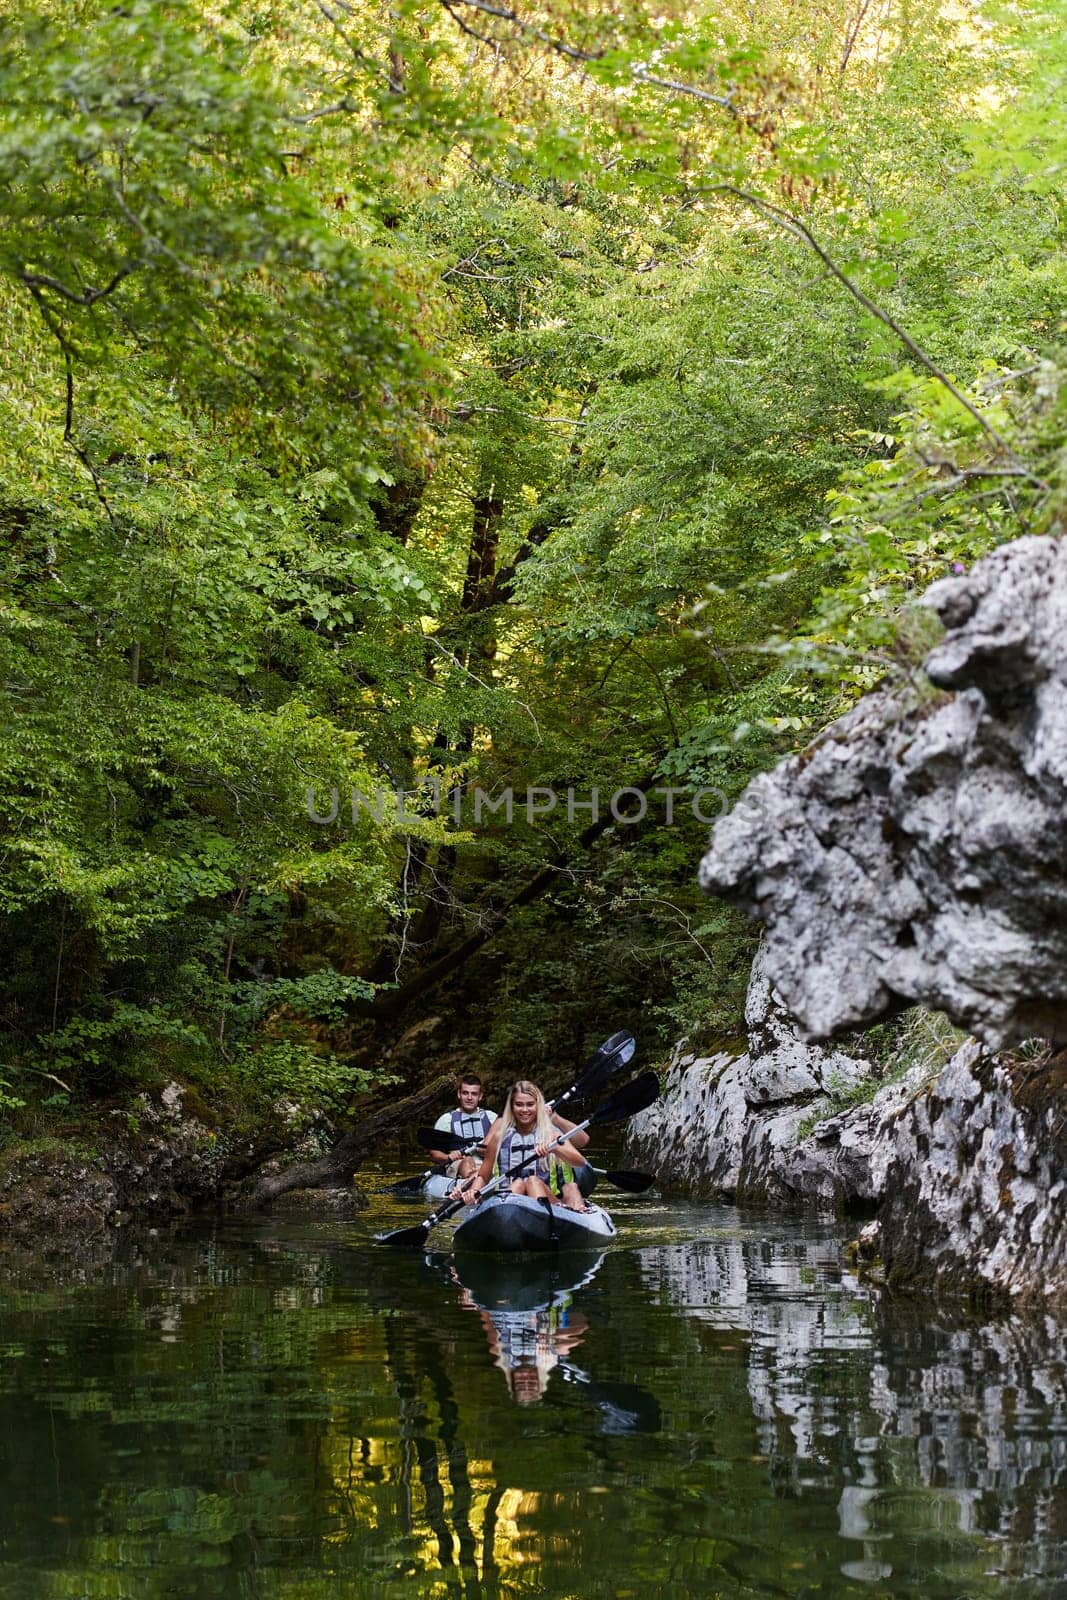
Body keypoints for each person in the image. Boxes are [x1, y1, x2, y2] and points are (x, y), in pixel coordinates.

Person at [454, 1079, 592, 1212]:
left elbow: (579, 1162)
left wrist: (555, 1148)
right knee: (518, 1184)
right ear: (512, 1107)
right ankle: (507, 1218)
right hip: (510, 1200)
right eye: (519, 1104)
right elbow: (483, 1176)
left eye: (530, 1104)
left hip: (547, 1202)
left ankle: (538, 1221)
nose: (525, 1110)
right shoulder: (499, 1138)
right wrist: (473, 1191)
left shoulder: (551, 1134)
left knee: (532, 1181)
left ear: (538, 1105)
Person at [429, 1073, 498, 1180]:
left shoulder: (492, 1118)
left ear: (480, 1096)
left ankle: (480, 1180)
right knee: (467, 1161)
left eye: (474, 1094)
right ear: (459, 1094)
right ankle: (472, 1182)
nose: (469, 1098)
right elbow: (434, 1154)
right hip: (458, 1164)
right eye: (465, 1093)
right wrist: (448, 1157)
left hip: (487, 1164)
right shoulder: (446, 1120)